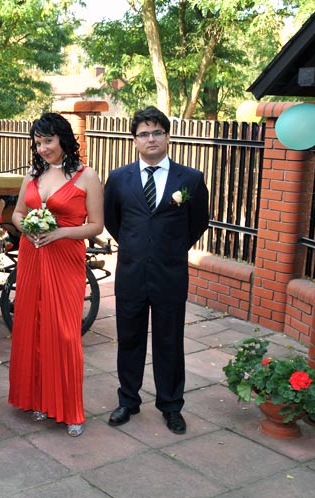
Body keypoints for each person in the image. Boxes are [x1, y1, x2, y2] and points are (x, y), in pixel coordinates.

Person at [103, 105, 209, 435]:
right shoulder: (118, 178)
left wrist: (170, 249)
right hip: (131, 274)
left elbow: (198, 222)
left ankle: (171, 406)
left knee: (170, 341)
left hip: (170, 275)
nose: (151, 139)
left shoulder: (190, 179)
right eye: (144, 134)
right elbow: (113, 221)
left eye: (157, 132)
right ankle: (128, 400)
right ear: (134, 140)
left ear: (167, 136)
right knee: (129, 339)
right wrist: (136, 247)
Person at [7, 112, 104, 437]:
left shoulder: (87, 176)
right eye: (38, 143)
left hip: (65, 258)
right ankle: (37, 399)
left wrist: (61, 232)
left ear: (63, 138)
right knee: (32, 325)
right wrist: (27, 227)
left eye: (48, 141)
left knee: (63, 332)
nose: (43, 148)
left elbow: (96, 225)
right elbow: (17, 213)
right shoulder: (33, 175)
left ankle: (70, 409)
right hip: (32, 256)